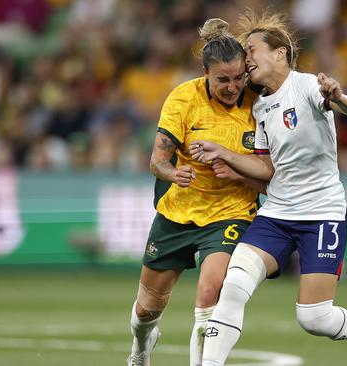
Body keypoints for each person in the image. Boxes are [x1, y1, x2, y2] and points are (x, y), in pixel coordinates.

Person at [189, 9, 347, 366]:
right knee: (232, 287)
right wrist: (226, 155)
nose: (246, 59)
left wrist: (337, 96)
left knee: (313, 318)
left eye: (252, 50)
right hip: (276, 213)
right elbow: (267, 168)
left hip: (322, 214)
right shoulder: (260, 106)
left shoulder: (308, 85)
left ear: (280, 53)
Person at [126, 18, 266, 366]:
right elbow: (156, 161)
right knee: (146, 310)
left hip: (230, 212)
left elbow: (270, 170)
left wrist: (236, 172)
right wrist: (175, 172)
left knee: (210, 293)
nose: (233, 86)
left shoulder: (259, 101)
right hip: (178, 212)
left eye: (238, 78)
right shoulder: (183, 98)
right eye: (223, 79)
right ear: (205, 73)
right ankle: (141, 350)